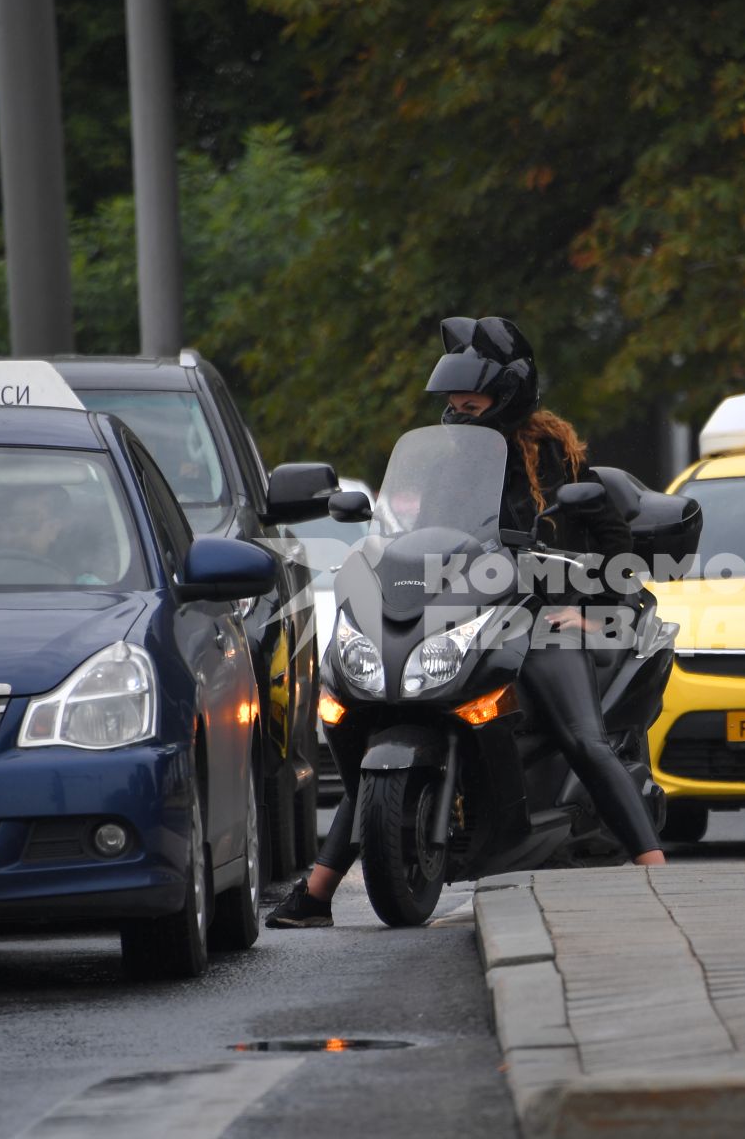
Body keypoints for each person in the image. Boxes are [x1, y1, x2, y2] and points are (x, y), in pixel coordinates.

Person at [267, 316, 666, 928]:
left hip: (543, 618)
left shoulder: (558, 457)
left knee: (582, 737)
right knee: (382, 717)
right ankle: (318, 891)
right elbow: (429, 533)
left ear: (506, 395)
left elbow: (612, 546)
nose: (458, 412)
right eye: (452, 404)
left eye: (470, 402)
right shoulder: (449, 458)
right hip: (475, 609)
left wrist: (587, 606)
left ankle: (654, 868)